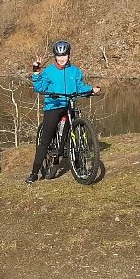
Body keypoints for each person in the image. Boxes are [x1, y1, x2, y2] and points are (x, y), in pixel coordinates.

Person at [27, 40, 100, 184]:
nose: (62, 58)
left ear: (68, 55)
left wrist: (91, 90)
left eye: (64, 55)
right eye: (59, 56)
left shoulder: (75, 71)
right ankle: (34, 173)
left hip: (69, 103)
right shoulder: (48, 71)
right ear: (55, 56)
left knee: (74, 124)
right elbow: (39, 87)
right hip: (53, 105)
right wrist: (36, 72)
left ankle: (75, 160)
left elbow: (79, 88)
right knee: (45, 140)